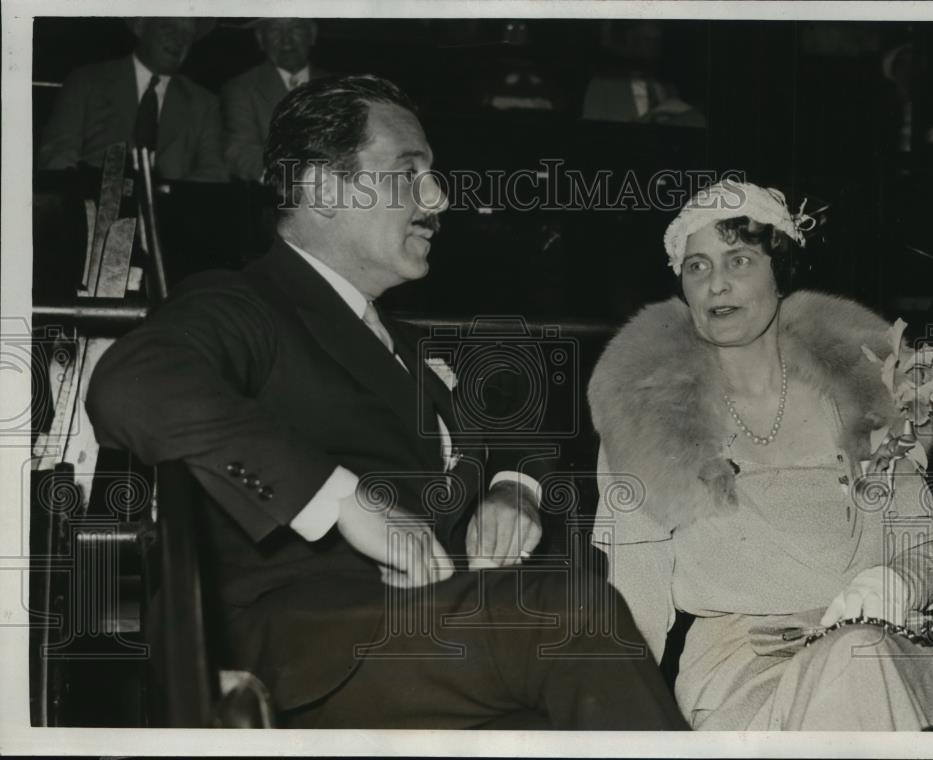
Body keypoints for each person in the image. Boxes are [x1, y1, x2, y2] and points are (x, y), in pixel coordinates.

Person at [86, 74, 689, 730]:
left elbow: (511, 426)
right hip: (316, 646)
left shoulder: (401, 337)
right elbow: (132, 383)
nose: (438, 198)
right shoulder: (243, 302)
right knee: (576, 613)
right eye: (411, 172)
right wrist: (345, 501)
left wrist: (513, 488)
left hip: (439, 640)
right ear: (322, 189)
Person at [588, 179, 933, 730]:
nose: (717, 285)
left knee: (859, 658)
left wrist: (897, 585)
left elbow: (929, 551)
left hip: (888, 653)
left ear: (781, 272)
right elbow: (632, 596)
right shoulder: (649, 418)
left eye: (740, 260)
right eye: (697, 266)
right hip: (748, 675)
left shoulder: (866, 395)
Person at [37, 17, 226, 182]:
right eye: (168, 27)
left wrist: (170, 203)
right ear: (141, 27)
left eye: (188, 34)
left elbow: (214, 172)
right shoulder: (87, 82)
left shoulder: (204, 104)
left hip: (170, 218)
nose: (179, 39)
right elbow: (57, 154)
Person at [222, 18, 328, 182]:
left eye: (296, 28)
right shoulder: (242, 88)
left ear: (312, 34)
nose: (286, 40)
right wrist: (298, 180)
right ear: (260, 39)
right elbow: (240, 151)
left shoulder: (339, 87)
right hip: (274, 199)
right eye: (275, 30)